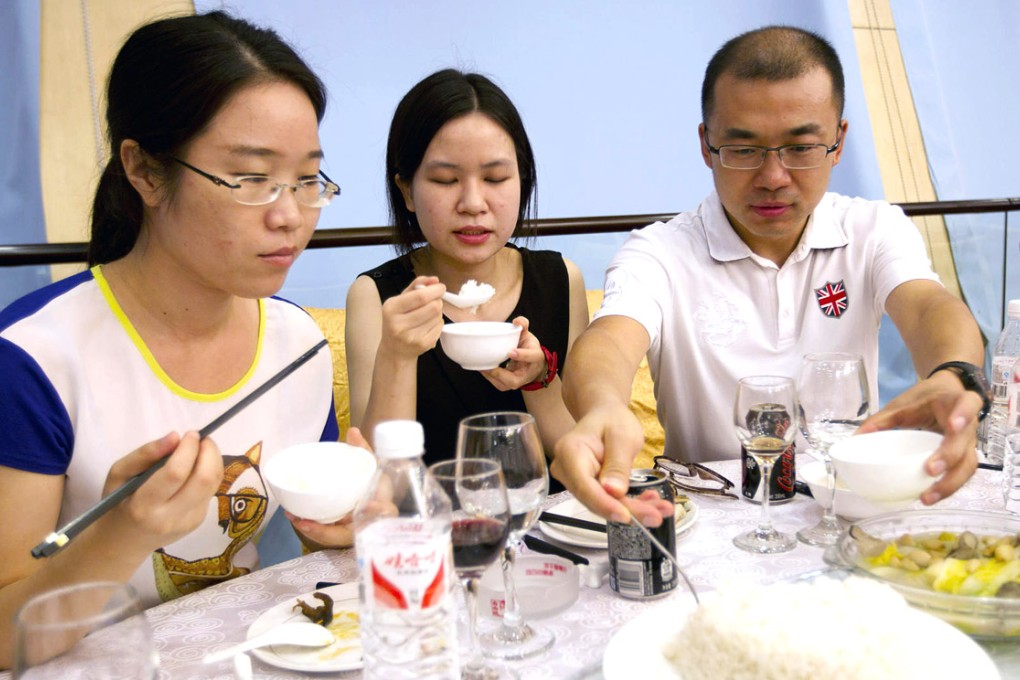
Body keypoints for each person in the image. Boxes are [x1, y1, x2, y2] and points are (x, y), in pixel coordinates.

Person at [0, 11, 358, 664]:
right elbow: (4, 635)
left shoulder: (298, 344)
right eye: (251, 178)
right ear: (144, 171)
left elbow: (311, 550)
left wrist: (348, 525)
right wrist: (121, 532)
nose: (289, 215)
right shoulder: (35, 361)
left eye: (307, 180)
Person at [553, 25, 986, 526]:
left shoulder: (873, 228)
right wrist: (603, 407)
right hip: (711, 522)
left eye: (801, 148)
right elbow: (609, 338)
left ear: (839, 142)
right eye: (744, 149)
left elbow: (929, 306)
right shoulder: (661, 250)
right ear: (706, 144)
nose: (773, 177)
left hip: (845, 509)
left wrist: (954, 375)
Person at [345, 69, 588, 478]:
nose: (473, 203)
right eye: (445, 180)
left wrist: (539, 380)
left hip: (547, 531)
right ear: (406, 190)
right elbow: (374, 477)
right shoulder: (377, 295)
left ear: (522, 181)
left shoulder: (561, 279)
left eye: (495, 178)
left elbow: (579, 460)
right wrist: (398, 355)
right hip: (428, 533)